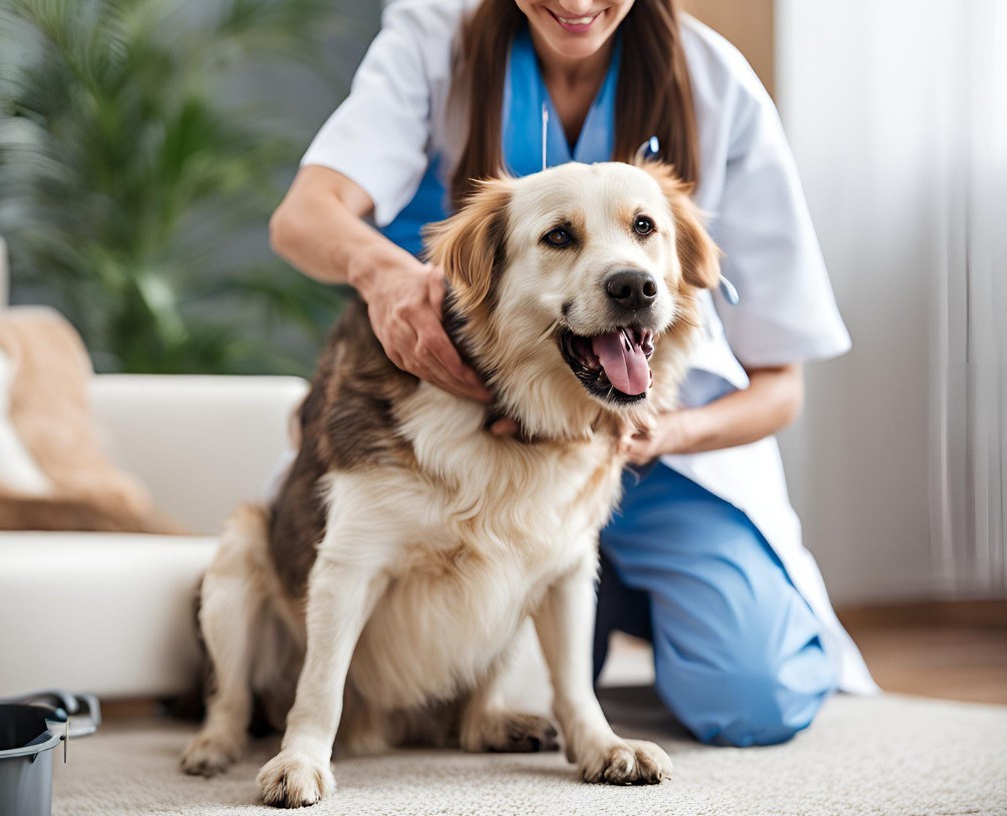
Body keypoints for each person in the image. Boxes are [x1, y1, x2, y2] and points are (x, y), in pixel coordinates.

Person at [269, 0, 878, 748]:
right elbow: (302, 217)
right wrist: (386, 276)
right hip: (473, 434)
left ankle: (677, 601)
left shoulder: (718, 82)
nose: (579, 2)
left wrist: (664, 430)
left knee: (754, 696)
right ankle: (596, 606)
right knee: (487, 680)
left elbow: (782, 384)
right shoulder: (436, 42)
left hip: (668, 467)